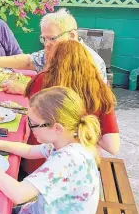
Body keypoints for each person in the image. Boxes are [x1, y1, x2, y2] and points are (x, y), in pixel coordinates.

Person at [0, 86, 100, 214]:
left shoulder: (68, 159)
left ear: (57, 128)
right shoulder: (66, 141)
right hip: (38, 211)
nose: (31, 128)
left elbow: (19, 194)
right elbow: (29, 150)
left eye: (34, 124)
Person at [21, 40, 119, 174]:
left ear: (54, 60)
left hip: (38, 164)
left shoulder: (41, 80)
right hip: (79, 170)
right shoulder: (100, 90)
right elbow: (112, 146)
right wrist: (84, 130)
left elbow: (29, 117)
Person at [0, 8, 107, 94]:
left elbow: (70, 100)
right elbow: (28, 62)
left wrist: (25, 89)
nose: (46, 44)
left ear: (71, 35)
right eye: (44, 38)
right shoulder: (54, 51)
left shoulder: (91, 62)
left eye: (52, 38)